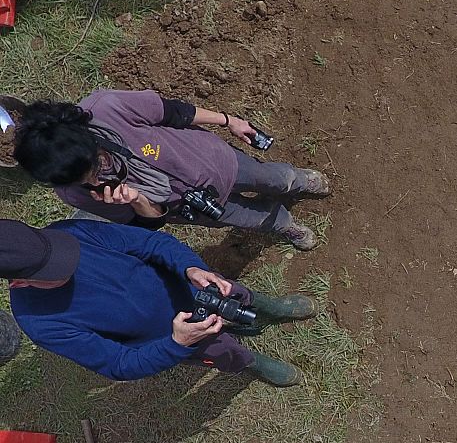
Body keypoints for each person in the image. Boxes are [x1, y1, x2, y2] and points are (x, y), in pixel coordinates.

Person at [1, 217, 312, 386]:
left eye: (60, 251)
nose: (69, 259)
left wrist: (190, 267)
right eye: (56, 269)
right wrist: (177, 344)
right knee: (221, 352)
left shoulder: (66, 232)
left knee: (233, 292)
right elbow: (118, 364)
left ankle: (267, 306)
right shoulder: (39, 323)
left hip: (189, 286)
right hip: (170, 335)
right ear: (20, 282)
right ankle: (250, 362)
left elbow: (150, 242)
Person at [7, 91, 329, 250]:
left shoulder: (105, 108)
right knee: (252, 218)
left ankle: (296, 179)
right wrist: (136, 201)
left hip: (213, 159)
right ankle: (285, 224)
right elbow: (150, 223)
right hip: (192, 208)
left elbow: (173, 112)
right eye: (82, 181)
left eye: (92, 167)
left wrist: (230, 122)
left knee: (273, 178)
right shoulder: (73, 193)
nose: (94, 181)